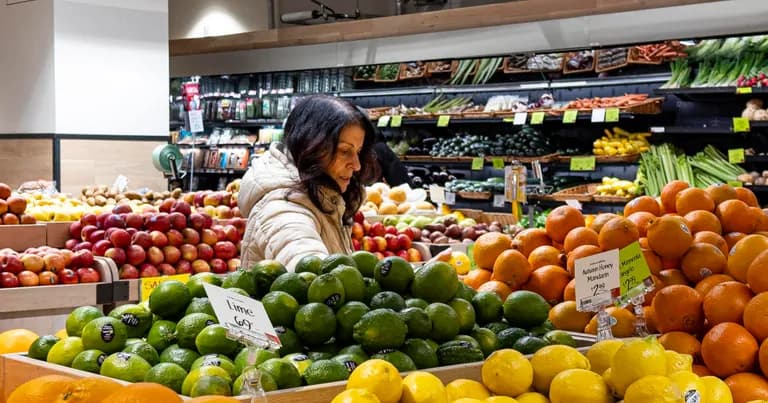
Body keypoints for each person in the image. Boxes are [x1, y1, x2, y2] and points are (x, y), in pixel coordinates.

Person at [238, 95, 380, 271]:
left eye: (358, 151)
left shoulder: (326, 196)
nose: (357, 165)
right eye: (344, 151)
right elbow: (308, 266)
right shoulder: (282, 210)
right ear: (311, 147)